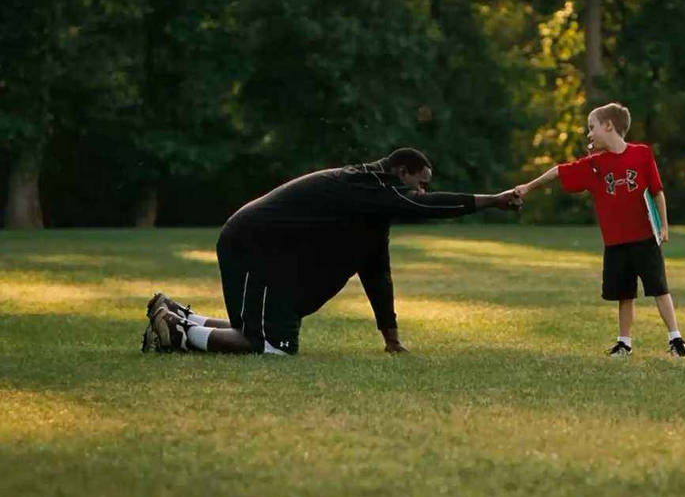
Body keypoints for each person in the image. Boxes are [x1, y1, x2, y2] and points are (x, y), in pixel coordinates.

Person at [142, 147, 522, 356]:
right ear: (401, 171)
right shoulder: (369, 185)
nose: (420, 193)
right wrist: (492, 200)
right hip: (256, 244)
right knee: (270, 347)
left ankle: (178, 314)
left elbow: (377, 273)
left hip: (264, 248)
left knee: (259, 333)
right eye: (419, 184)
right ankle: (180, 332)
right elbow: (427, 207)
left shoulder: (371, 210)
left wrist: (390, 339)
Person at [514, 103, 685, 357]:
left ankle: (676, 339)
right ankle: (624, 343)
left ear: (608, 125)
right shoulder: (593, 164)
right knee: (624, 293)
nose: (589, 134)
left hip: (644, 239)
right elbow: (558, 171)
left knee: (659, 288)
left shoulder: (642, 154)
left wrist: (663, 225)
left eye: (591, 127)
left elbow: (657, 191)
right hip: (616, 243)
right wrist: (529, 187)